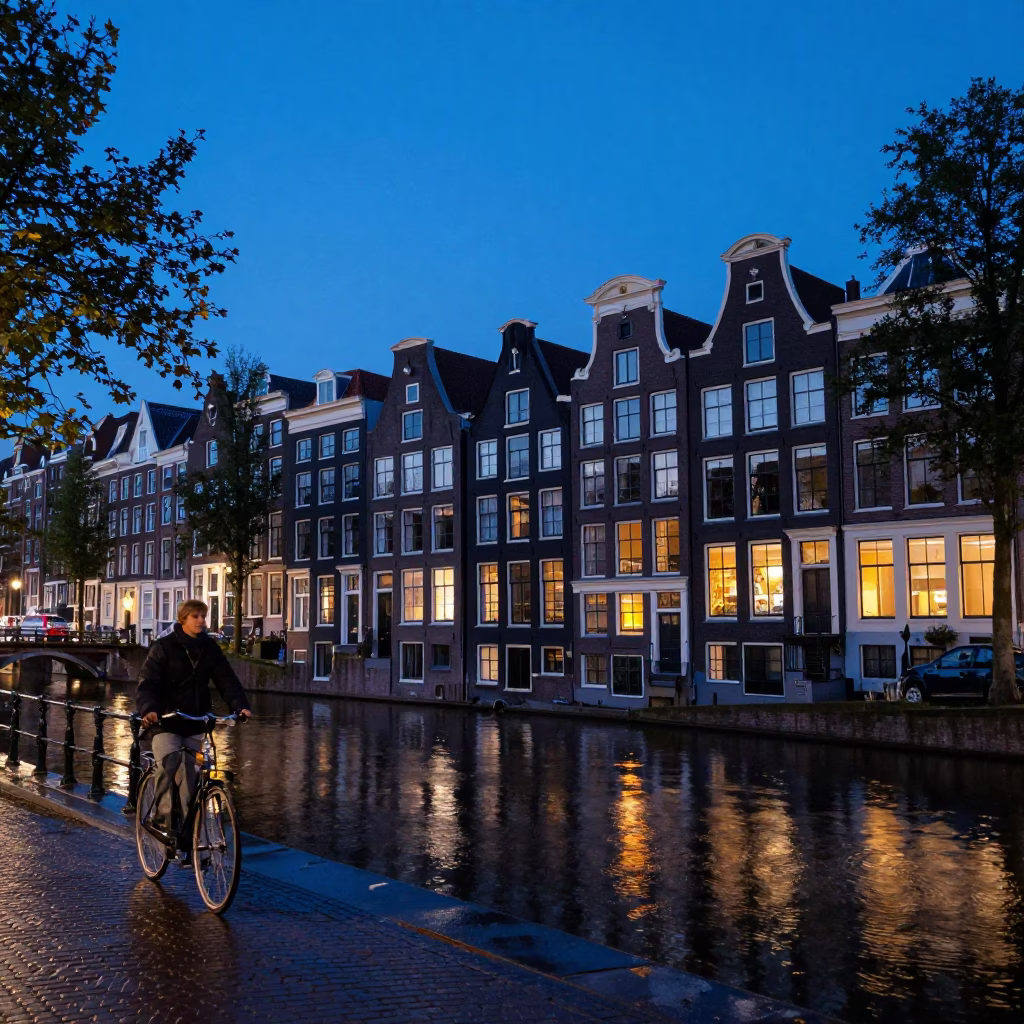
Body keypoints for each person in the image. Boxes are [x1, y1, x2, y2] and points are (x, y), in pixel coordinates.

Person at [137, 599, 252, 834]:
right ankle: (162, 816)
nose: (201, 621)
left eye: (203, 616)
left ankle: (187, 831)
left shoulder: (209, 648)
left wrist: (240, 706)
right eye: (195, 616)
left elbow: (226, 679)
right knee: (169, 762)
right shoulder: (163, 647)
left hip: (195, 720)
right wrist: (149, 708)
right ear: (183, 619)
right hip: (166, 720)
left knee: (193, 775)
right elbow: (147, 683)